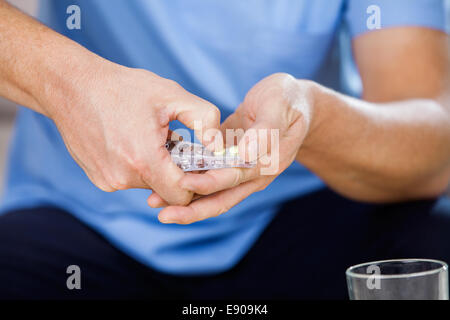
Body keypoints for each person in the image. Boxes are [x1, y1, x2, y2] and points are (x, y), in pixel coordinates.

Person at [0, 0, 449, 299]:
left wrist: (312, 117)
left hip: (305, 212)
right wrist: (70, 84)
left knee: (426, 254)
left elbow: (430, 151)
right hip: (73, 221)